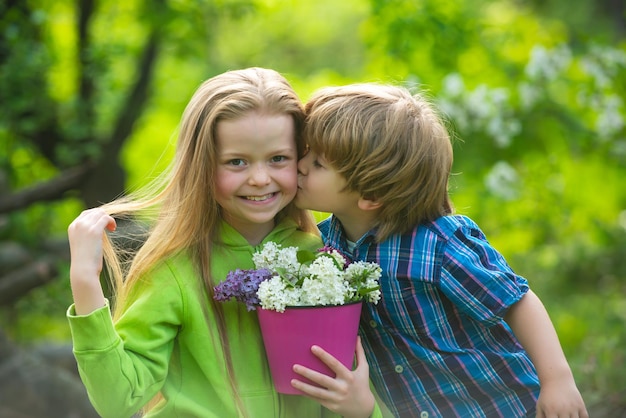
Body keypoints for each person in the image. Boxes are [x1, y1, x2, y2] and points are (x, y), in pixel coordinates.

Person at [66, 68, 379, 418]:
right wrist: (84, 282)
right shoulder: (173, 268)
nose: (260, 179)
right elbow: (118, 401)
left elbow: (340, 382)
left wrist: (363, 409)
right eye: (236, 162)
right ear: (201, 168)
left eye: (278, 158)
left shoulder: (323, 257)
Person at [295, 83, 589, 418]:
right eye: (305, 152)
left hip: (502, 405)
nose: (300, 165)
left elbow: (516, 301)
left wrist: (558, 382)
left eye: (318, 163)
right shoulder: (322, 243)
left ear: (370, 194)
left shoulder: (437, 244)